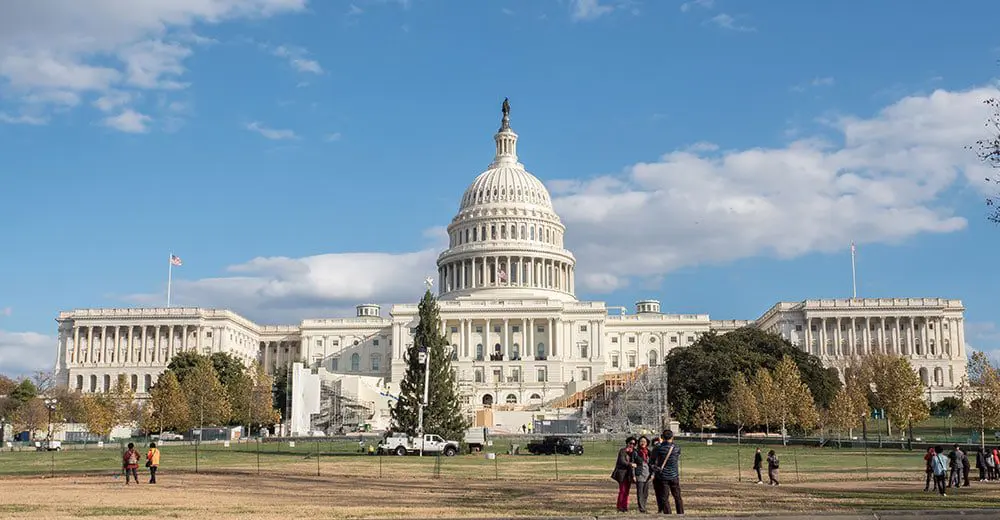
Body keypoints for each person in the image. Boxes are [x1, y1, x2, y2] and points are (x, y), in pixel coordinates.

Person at [651, 429, 683, 515]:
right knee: (677, 497)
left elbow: (651, 461)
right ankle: (681, 514)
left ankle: (668, 515)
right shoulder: (677, 448)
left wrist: (655, 468)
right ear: (672, 437)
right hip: (674, 475)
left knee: (664, 497)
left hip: (663, 476)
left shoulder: (658, 448)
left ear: (662, 437)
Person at [611, 437, 637, 512]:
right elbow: (622, 461)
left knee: (627, 491)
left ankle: (625, 506)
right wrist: (630, 464)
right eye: (630, 443)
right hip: (622, 474)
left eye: (634, 444)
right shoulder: (622, 451)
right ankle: (620, 506)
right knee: (622, 490)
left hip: (629, 474)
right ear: (627, 443)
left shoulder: (633, 452)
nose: (632, 445)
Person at [633, 436, 652, 513]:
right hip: (639, 474)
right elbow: (632, 463)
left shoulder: (649, 452)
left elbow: (652, 463)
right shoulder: (636, 452)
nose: (643, 443)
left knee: (646, 492)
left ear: (647, 443)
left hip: (648, 474)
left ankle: (644, 505)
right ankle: (641, 508)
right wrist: (633, 475)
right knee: (640, 492)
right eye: (641, 441)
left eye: (644, 441)